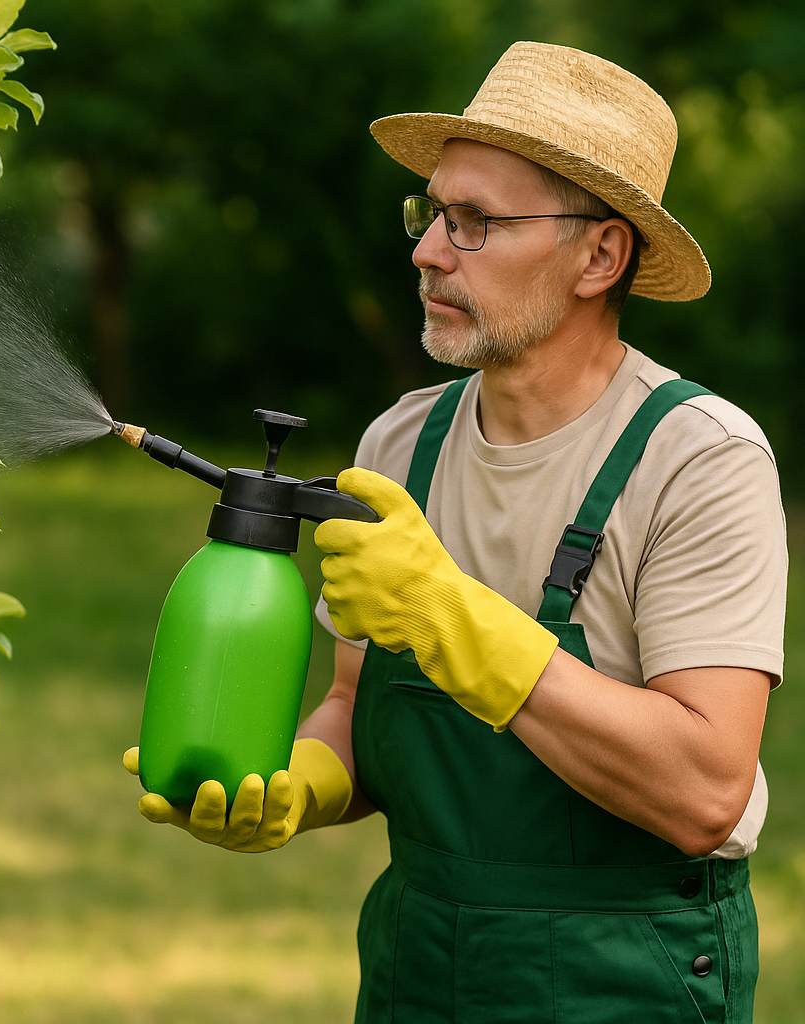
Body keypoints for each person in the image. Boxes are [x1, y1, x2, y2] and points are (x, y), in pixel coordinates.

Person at [125, 41, 786, 1023]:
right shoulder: (401, 442)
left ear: (599, 256)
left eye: (476, 222)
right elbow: (357, 707)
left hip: (623, 971)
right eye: (431, 213)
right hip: (415, 963)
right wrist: (297, 787)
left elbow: (703, 791)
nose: (427, 249)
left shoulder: (697, 458)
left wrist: (446, 615)